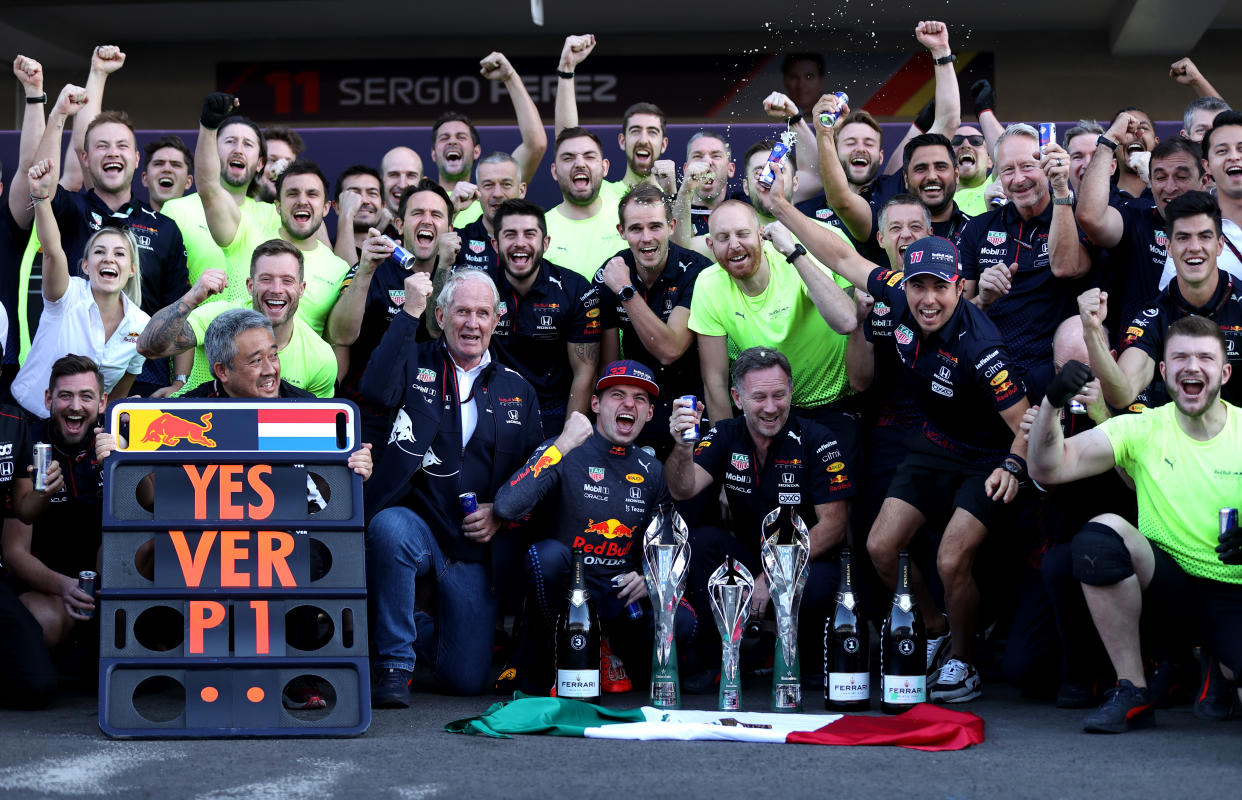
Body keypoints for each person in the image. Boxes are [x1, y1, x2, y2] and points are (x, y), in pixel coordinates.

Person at [764, 208, 1034, 704]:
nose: (928, 301)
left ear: (959, 287)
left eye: (940, 289)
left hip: (986, 458)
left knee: (952, 560)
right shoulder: (893, 292)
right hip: (934, 445)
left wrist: (1014, 465)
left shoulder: (983, 349)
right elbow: (841, 254)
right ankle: (933, 629)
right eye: (918, 287)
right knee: (880, 547)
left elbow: (1026, 423)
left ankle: (964, 661)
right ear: (903, 284)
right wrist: (781, 207)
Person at [1028, 315, 1242, 732]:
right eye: (1180, 357)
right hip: (1169, 591)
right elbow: (1047, 467)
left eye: (1204, 358)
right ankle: (1133, 690)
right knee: (1100, 536)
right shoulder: (1144, 427)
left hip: (1233, 593)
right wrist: (1052, 405)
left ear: (1225, 371)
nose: (1192, 367)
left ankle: (1222, 664)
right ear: (1164, 370)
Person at [360, 269, 544, 706]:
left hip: (473, 550)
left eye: (483, 313)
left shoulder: (518, 388)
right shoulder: (413, 358)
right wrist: (408, 313)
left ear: (497, 319)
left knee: (465, 680)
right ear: (440, 315)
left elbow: (536, 474)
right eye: (462, 311)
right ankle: (394, 666)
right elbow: (373, 389)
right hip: (416, 524)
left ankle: (404, 624)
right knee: (389, 529)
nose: (472, 323)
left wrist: (503, 513)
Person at [495, 360, 697, 694]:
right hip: (566, 591)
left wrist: (651, 577)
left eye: (640, 399)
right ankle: (555, 655)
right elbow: (506, 506)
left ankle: (613, 654)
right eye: (617, 395)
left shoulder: (653, 469)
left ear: (649, 414)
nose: (629, 404)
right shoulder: (565, 448)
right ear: (595, 404)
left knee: (685, 621)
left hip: (618, 595)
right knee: (544, 557)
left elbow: (670, 545)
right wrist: (560, 445)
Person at [665, 347, 856, 682]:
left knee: (822, 582)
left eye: (779, 395)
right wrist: (682, 447)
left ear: (791, 392)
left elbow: (835, 526)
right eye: (759, 397)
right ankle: (718, 660)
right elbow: (683, 489)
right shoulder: (725, 434)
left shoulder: (817, 438)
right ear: (737, 398)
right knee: (704, 541)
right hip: (750, 554)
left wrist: (771, 577)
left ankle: (805, 658)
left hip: (804, 559)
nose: (771, 407)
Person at [194, 93, 348, 338]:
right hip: (234, 372)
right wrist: (209, 127)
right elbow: (209, 189)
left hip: (300, 377)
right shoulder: (247, 233)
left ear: (327, 207)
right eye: (293, 193)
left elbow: (339, 343)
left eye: (312, 194)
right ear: (277, 205)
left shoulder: (338, 268)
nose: (302, 200)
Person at [957, 123, 1092, 399]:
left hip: (1051, 374)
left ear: (1047, 164)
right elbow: (956, 317)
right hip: (988, 368)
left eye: (1028, 166)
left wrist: (1061, 192)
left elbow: (1066, 267)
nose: (1018, 179)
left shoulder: (1080, 215)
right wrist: (983, 299)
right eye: (1008, 170)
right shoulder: (977, 229)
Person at [1082, 191, 1242, 412]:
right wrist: (1092, 333)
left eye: (1204, 236)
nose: (1194, 247)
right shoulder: (1156, 315)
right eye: (1183, 237)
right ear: (1169, 247)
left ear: (1220, 245)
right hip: (1177, 441)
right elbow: (1122, 393)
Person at [11, 159, 147, 418]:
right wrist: (40, 197)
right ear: (85, 265)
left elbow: (119, 392)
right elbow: (52, 251)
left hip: (81, 431)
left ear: (131, 269)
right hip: (29, 418)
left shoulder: (141, 324)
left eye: (119, 254)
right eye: (99, 252)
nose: (108, 259)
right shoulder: (67, 294)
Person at [330, 179, 455, 455]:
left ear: (449, 229)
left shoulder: (457, 275)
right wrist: (364, 271)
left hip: (435, 416)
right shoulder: (372, 265)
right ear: (399, 225)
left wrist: (444, 266)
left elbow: (436, 330)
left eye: (436, 215)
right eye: (417, 213)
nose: (427, 220)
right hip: (371, 416)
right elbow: (340, 335)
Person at [595, 183, 712, 458]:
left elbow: (670, 351)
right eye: (636, 229)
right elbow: (611, 366)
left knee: (688, 494)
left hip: (690, 402)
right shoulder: (611, 271)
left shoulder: (697, 272)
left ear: (671, 226)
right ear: (621, 232)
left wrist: (626, 291)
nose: (646, 238)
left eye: (655, 226)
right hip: (637, 400)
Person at [3, 356, 110, 651]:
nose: (75, 406)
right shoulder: (29, 441)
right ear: (49, 398)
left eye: (86, 396)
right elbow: (14, 552)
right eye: (65, 395)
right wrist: (64, 586)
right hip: (48, 586)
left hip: (111, 582)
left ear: (102, 402)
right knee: (46, 622)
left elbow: (151, 506)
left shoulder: (116, 438)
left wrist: (125, 463)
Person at [137, 238, 335, 398]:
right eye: (266, 279)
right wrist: (191, 298)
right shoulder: (219, 318)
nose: (276, 290)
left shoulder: (320, 357)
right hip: (197, 434)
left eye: (287, 281)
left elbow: (320, 432)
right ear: (250, 286)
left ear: (301, 290)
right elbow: (148, 347)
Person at [1078, 133, 1207, 345]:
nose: (1169, 187)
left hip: (1201, 361)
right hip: (1138, 357)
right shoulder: (1137, 217)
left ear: (1205, 180)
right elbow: (1090, 216)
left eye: (1181, 177)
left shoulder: (1225, 229)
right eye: (1160, 177)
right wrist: (1108, 141)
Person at [485, 199, 600, 436]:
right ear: (495, 244)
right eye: (510, 234)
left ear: (545, 242)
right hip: (491, 408)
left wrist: (568, 440)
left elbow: (585, 373)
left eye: (530, 234)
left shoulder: (575, 289)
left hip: (555, 411)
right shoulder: (480, 288)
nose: (520, 243)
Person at [431, 52, 546, 228]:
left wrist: (510, 77)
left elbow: (535, 144)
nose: (452, 142)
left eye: (461, 137)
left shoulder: (493, 192)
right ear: (433, 153)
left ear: (476, 150)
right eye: (444, 138)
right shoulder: (422, 198)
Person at [1159, 111, 1242, 288]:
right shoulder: (1187, 223)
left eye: (1241, 149)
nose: (1234, 157)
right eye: (1222, 150)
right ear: (1207, 166)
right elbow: (1174, 309)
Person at [543, 127, 625, 279]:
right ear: (554, 171)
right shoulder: (540, 229)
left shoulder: (629, 217)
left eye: (589, 156)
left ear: (604, 167)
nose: (580, 164)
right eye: (568, 158)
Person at [453, 152, 527, 273]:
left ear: (521, 190)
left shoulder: (533, 241)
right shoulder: (460, 240)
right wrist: (452, 211)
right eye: (488, 185)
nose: (497, 193)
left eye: (506, 184)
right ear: (477, 192)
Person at [671, 131, 736, 238]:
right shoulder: (668, 208)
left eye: (716, 156)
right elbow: (675, 250)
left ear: (731, 169)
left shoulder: (745, 206)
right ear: (686, 169)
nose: (707, 162)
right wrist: (685, 190)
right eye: (698, 156)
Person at [332, 165, 384, 265]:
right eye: (354, 193)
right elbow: (345, 278)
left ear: (383, 206)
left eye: (372, 193)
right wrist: (347, 214)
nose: (364, 200)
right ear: (337, 206)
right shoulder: (325, 250)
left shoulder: (394, 256)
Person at [140, 135, 194, 213]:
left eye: (176, 165)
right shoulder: (126, 222)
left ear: (188, 182)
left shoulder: (208, 223)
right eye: (158, 164)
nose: (167, 169)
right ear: (145, 178)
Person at [256, 126, 305, 203]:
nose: (279, 171)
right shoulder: (236, 211)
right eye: (272, 160)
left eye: (287, 163)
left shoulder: (300, 213)